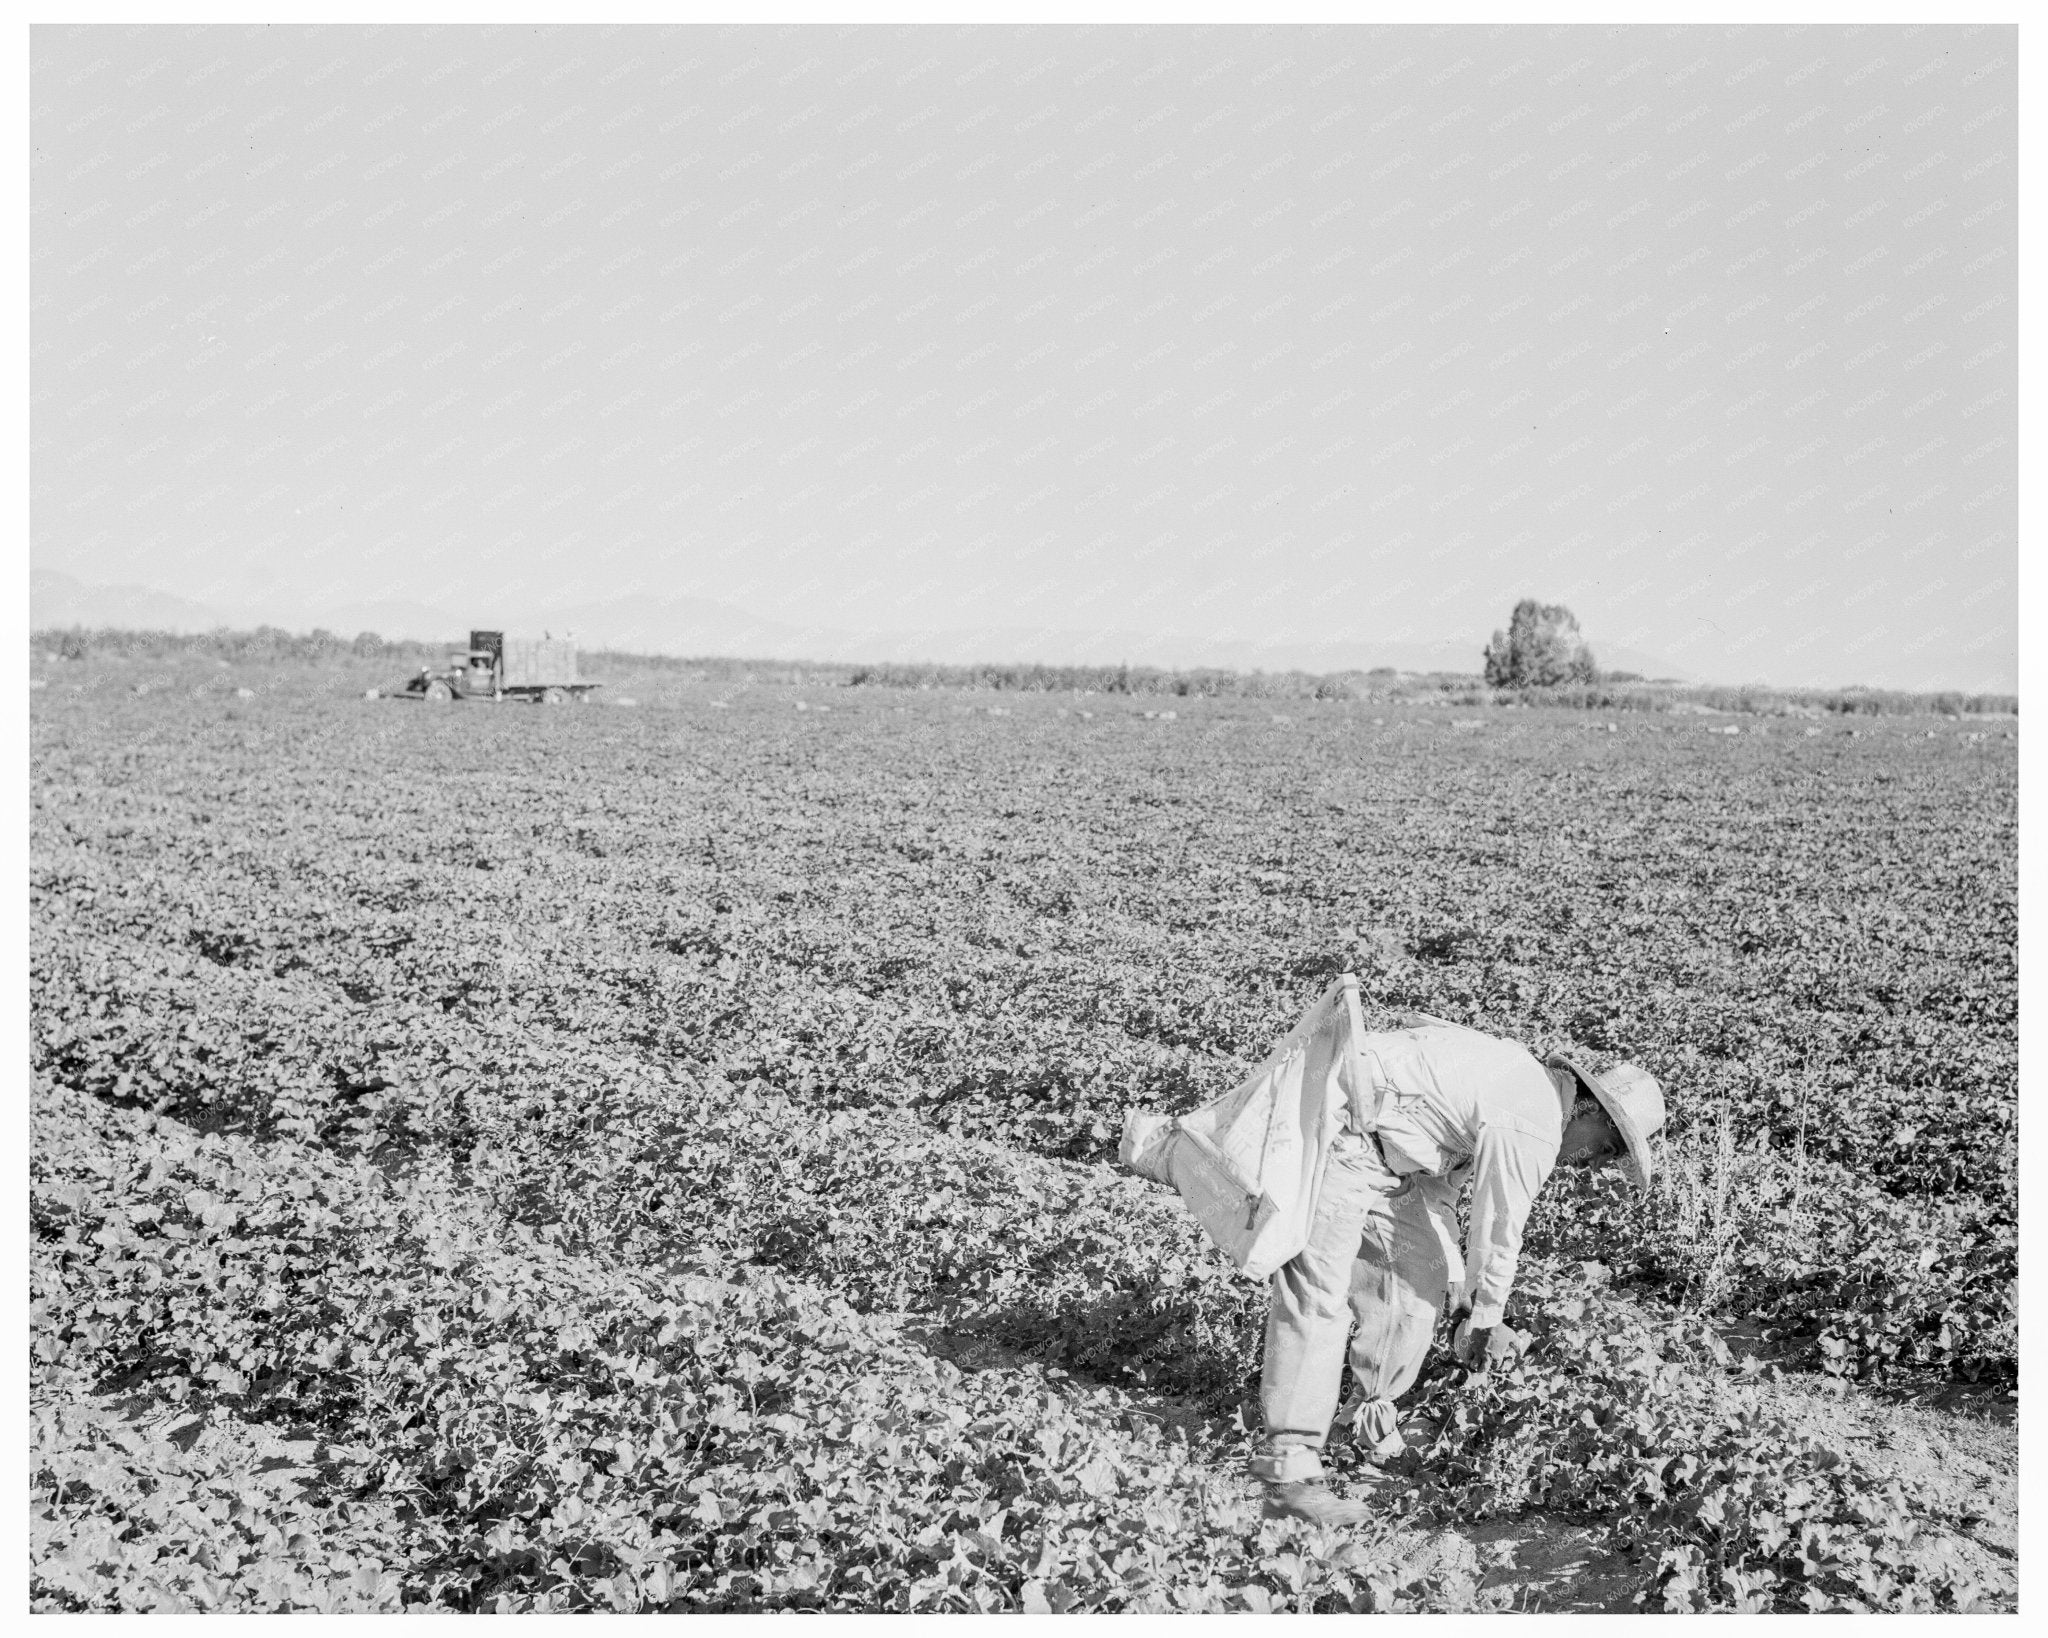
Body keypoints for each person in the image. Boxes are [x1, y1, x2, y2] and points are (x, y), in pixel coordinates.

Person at [1254, 1021, 1664, 1527]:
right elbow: (1498, 1227)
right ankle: (1288, 1476)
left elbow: (1438, 1195)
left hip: (1381, 1157)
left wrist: (1461, 1300)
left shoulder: (1521, 1092)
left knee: (1415, 1284)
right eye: (1605, 1148)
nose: (1592, 1166)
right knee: (1318, 1299)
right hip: (1330, 1128)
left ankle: (1362, 1424)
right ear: (1590, 1110)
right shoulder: (1532, 1119)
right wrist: (1485, 1321)